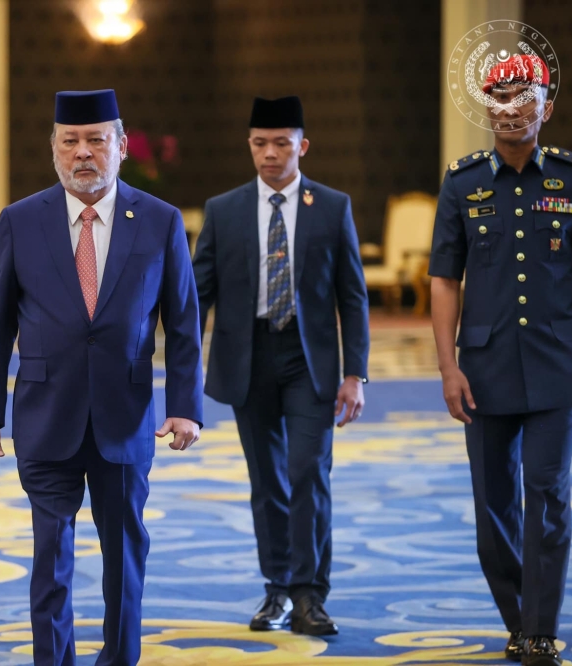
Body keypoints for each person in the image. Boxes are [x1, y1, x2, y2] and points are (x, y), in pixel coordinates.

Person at [0, 89, 204, 665]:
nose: (82, 152)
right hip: (46, 413)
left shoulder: (160, 220)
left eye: (96, 140)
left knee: (124, 553)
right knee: (50, 556)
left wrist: (185, 406)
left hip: (125, 418)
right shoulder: (20, 221)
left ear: (120, 146)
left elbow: (183, 322)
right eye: (69, 141)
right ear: (53, 149)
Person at [192, 96, 369, 636]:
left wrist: (355, 373)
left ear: (302, 146)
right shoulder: (224, 210)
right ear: (249, 146)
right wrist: (177, 361)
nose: (270, 154)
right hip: (248, 358)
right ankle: (278, 590)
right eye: (260, 144)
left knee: (308, 472)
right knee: (267, 480)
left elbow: (352, 296)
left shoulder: (332, 207)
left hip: (309, 360)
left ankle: (310, 593)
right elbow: (197, 294)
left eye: (281, 144)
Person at [430, 54, 572, 666]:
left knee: (547, 495)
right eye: (500, 99)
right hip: (484, 369)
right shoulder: (462, 183)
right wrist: (448, 366)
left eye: (525, 99)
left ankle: (540, 629)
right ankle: (517, 619)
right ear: (487, 108)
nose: (512, 110)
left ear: (545, 107)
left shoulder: (571, 178)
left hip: (559, 364)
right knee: (492, 506)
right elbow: (444, 279)